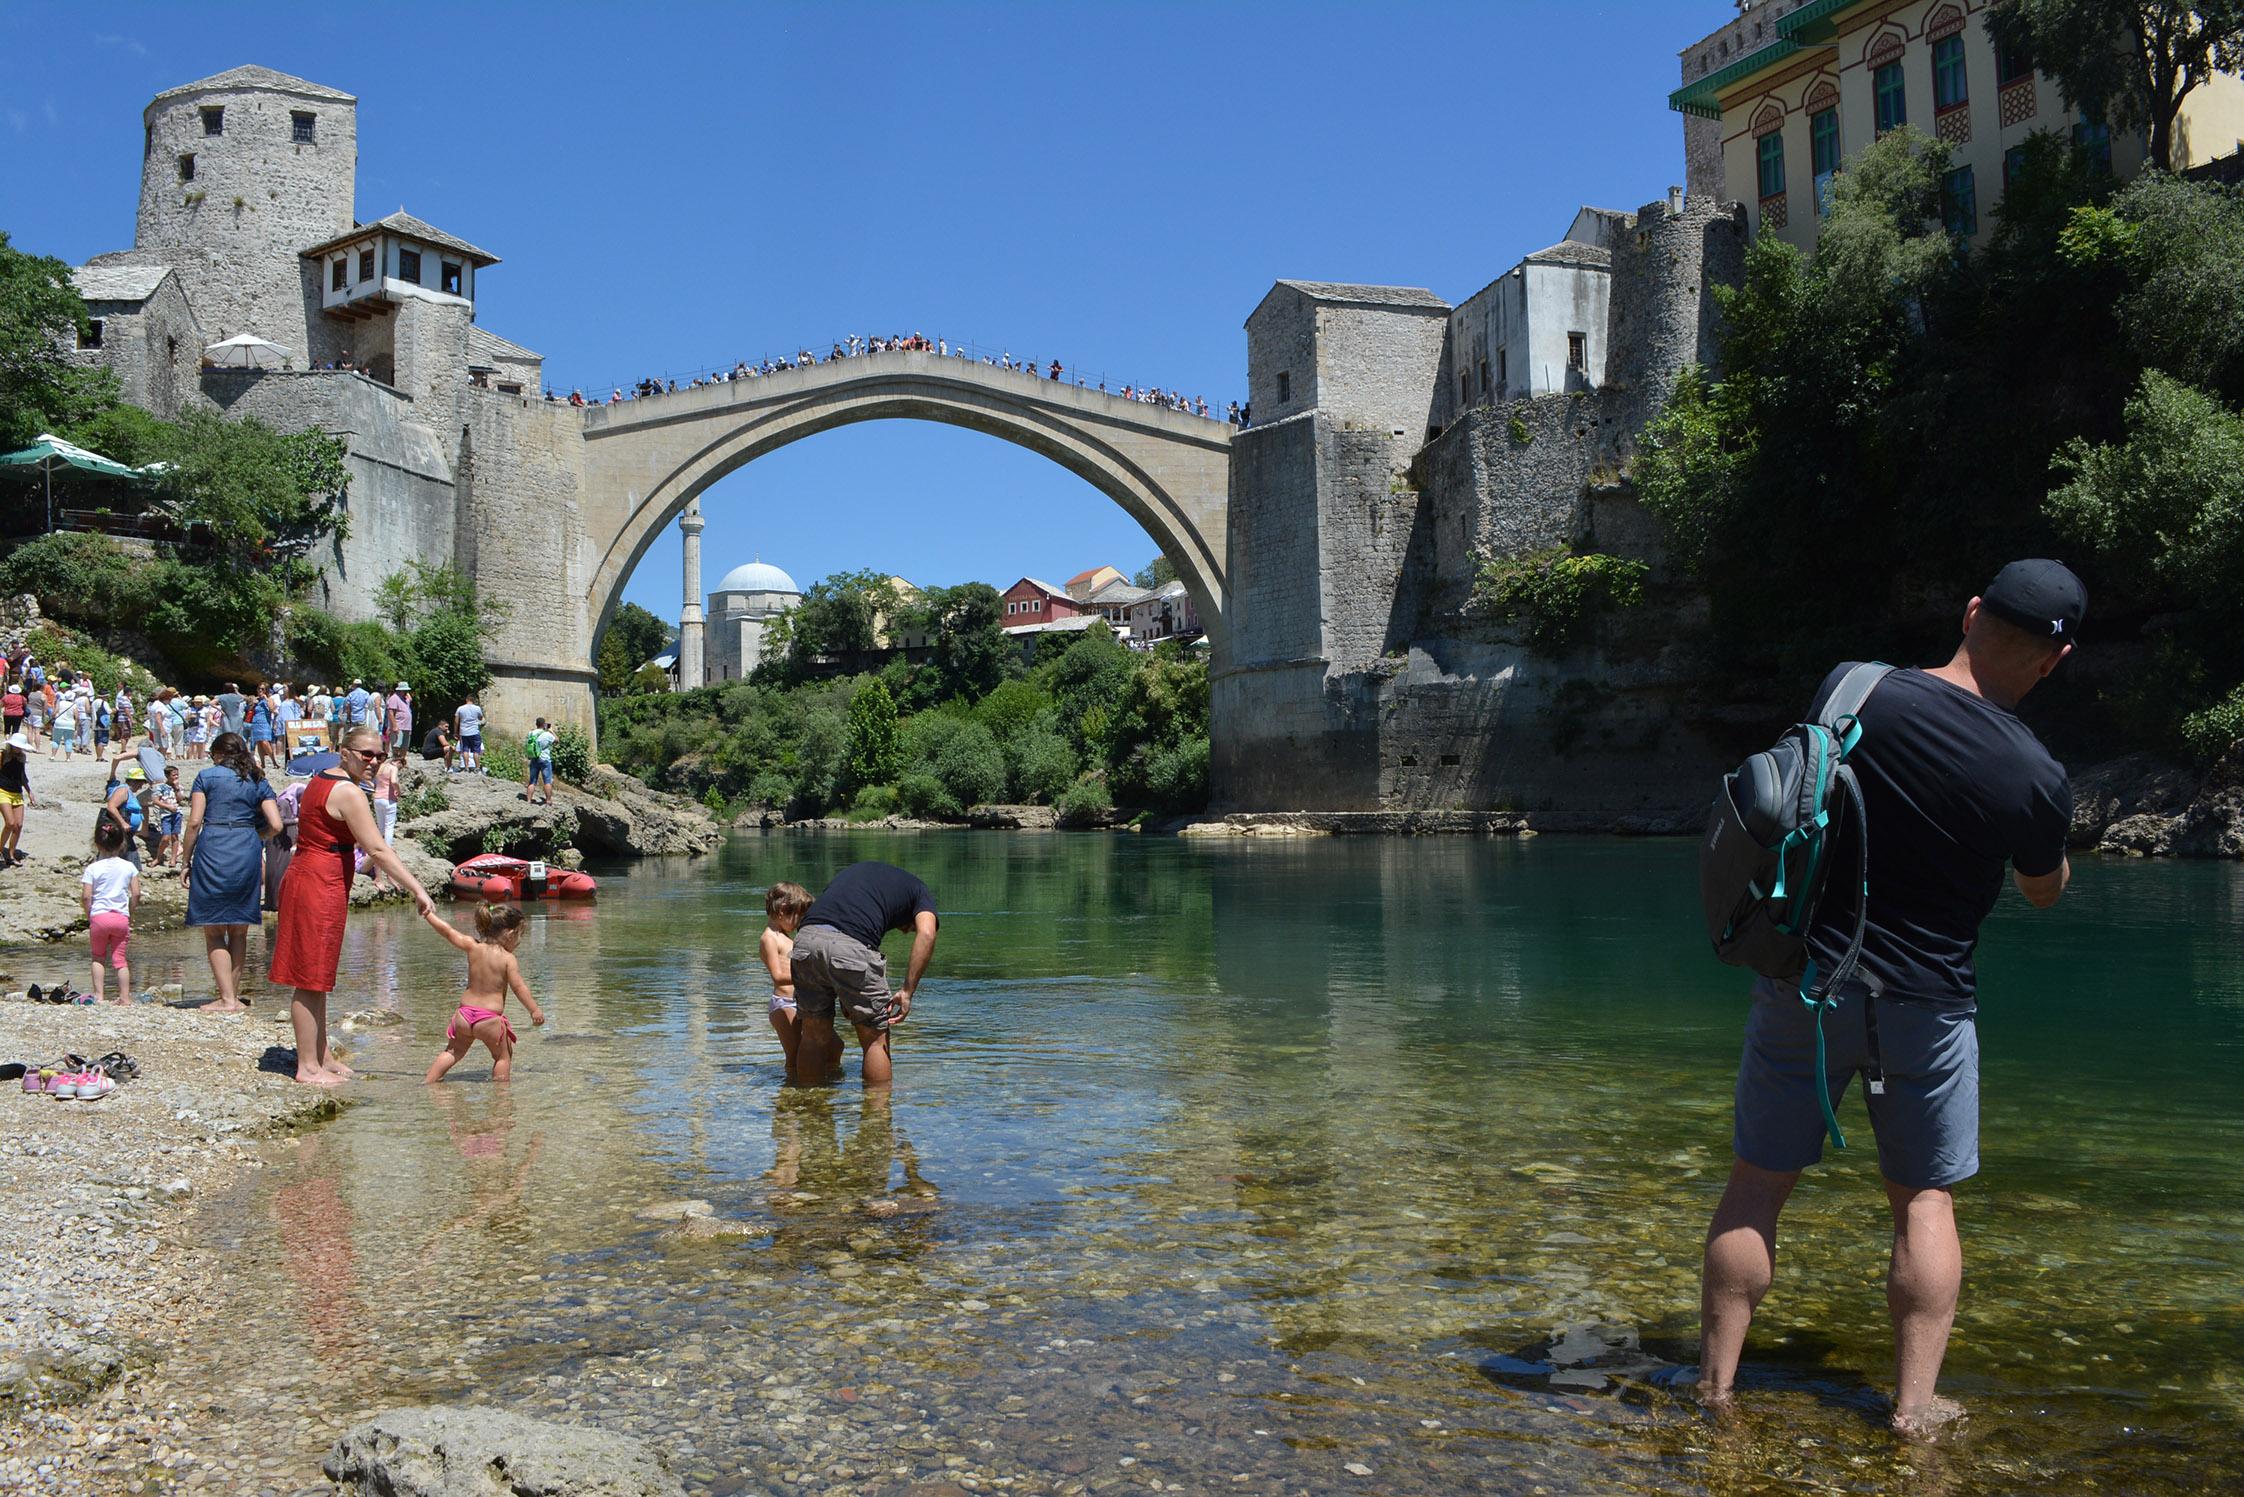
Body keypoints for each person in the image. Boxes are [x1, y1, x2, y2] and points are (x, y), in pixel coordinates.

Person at [1697, 561, 2083, 1436]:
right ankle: (1912, 1413)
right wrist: (2056, 850)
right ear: (2056, 660)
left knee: (1756, 1187)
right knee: (1924, 1203)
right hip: (1928, 1004)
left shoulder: (1855, 687)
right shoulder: (2033, 772)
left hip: (1808, 982)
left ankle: (1716, 1390)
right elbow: (2043, 889)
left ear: (1973, 610)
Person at [270, 724, 435, 1086]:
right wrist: (417, 889)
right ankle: (307, 1067)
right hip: (319, 879)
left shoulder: (322, 777)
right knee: (309, 976)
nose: (374, 761)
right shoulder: (349, 792)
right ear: (344, 752)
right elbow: (377, 849)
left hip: (317, 875)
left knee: (320, 974)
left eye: (380, 755)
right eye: (367, 754)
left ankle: (321, 1055)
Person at [786, 861, 939, 1088]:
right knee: (875, 1041)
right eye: (910, 927)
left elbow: (831, 935)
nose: (907, 931)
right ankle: (876, 1118)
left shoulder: (859, 875)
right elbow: (927, 933)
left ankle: (811, 1110)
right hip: (851, 945)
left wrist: (847, 994)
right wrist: (907, 991)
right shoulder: (920, 891)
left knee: (812, 1036)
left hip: (806, 940)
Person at [183, 731, 283, 1012]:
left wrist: (185, 861)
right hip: (246, 849)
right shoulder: (257, 779)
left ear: (218, 753)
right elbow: (276, 825)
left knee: (214, 930)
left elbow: (194, 823)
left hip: (213, 847)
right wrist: (255, 836)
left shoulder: (206, 777)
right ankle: (233, 997)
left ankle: (226, 999)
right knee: (239, 931)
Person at [421, 903, 546, 1083]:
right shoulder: (508, 959)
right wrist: (534, 1010)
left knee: (452, 1052)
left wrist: (428, 915)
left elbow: (448, 932)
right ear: (510, 934)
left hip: (464, 1016)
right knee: (503, 1057)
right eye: (519, 935)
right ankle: (501, 1098)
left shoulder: (473, 947)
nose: (519, 941)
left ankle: (428, 1083)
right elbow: (519, 988)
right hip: (489, 1019)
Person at [81, 816, 141, 1006]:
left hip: (99, 916)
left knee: (98, 957)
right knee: (120, 960)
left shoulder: (92, 868)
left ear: (97, 844)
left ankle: (99, 996)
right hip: (121, 917)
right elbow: (137, 893)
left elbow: (86, 896)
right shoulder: (129, 867)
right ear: (121, 843)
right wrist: (130, 912)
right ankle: (125, 997)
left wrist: (89, 913)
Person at [761, 881, 814, 1081]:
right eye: (798, 915)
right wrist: (810, 976)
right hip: (783, 1004)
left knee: (827, 1045)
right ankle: (792, 1088)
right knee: (794, 1053)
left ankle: (813, 1080)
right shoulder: (769, 938)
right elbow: (777, 976)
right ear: (783, 910)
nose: (800, 921)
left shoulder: (786, 936)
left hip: (798, 1002)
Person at [0, 731, 36, 866]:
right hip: (2, 791)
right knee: (10, 823)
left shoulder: (22, 757)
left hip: (17, 793)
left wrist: (29, 792)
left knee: (18, 825)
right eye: (17, 746)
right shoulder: (2, 755)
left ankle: (10, 854)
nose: (19, 749)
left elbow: (22, 776)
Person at [370, 748, 403, 889]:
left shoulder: (380, 767)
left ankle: (380, 876)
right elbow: (394, 781)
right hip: (389, 800)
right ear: (398, 761)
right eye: (402, 764)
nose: (401, 767)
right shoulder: (392, 768)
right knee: (389, 832)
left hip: (377, 799)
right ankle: (385, 875)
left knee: (380, 830)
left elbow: (372, 782)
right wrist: (398, 791)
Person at [524, 718, 557, 805]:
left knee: (532, 781)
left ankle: (528, 800)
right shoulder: (547, 734)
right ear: (544, 724)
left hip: (534, 758)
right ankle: (548, 800)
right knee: (547, 781)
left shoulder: (531, 733)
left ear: (536, 724)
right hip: (545, 759)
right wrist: (551, 731)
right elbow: (557, 740)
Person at [454, 692, 485, 774]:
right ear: (474, 700)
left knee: (465, 750)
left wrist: (455, 732)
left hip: (464, 732)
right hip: (474, 731)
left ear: (466, 699)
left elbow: (456, 721)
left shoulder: (460, 708)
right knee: (476, 750)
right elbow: (481, 718)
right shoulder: (477, 708)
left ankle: (466, 767)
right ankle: (477, 767)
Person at [386, 681, 413, 754]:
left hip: (406, 726)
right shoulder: (394, 698)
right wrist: (394, 726)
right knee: (397, 745)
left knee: (405, 746)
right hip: (399, 726)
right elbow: (391, 713)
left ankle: (401, 761)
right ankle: (395, 759)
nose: (406, 692)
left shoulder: (405, 699)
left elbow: (410, 699)